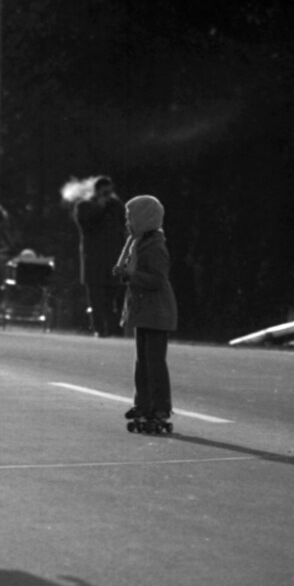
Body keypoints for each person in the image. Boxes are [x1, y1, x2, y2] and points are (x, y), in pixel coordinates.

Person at [113, 195, 178, 429]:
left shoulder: (155, 246)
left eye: (130, 218)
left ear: (144, 219)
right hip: (143, 311)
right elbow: (136, 276)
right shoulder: (137, 243)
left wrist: (132, 275)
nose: (127, 223)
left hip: (157, 312)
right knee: (142, 362)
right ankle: (143, 403)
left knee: (154, 362)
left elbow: (158, 280)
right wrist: (125, 274)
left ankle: (160, 407)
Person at [73, 175, 127, 336]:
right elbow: (85, 224)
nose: (108, 195)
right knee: (96, 298)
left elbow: (125, 225)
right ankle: (99, 329)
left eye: (110, 192)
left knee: (113, 297)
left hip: (113, 258)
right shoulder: (84, 206)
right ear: (96, 191)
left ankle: (113, 329)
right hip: (94, 258)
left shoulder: (116, 206)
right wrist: (99, 206)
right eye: (104, 192)